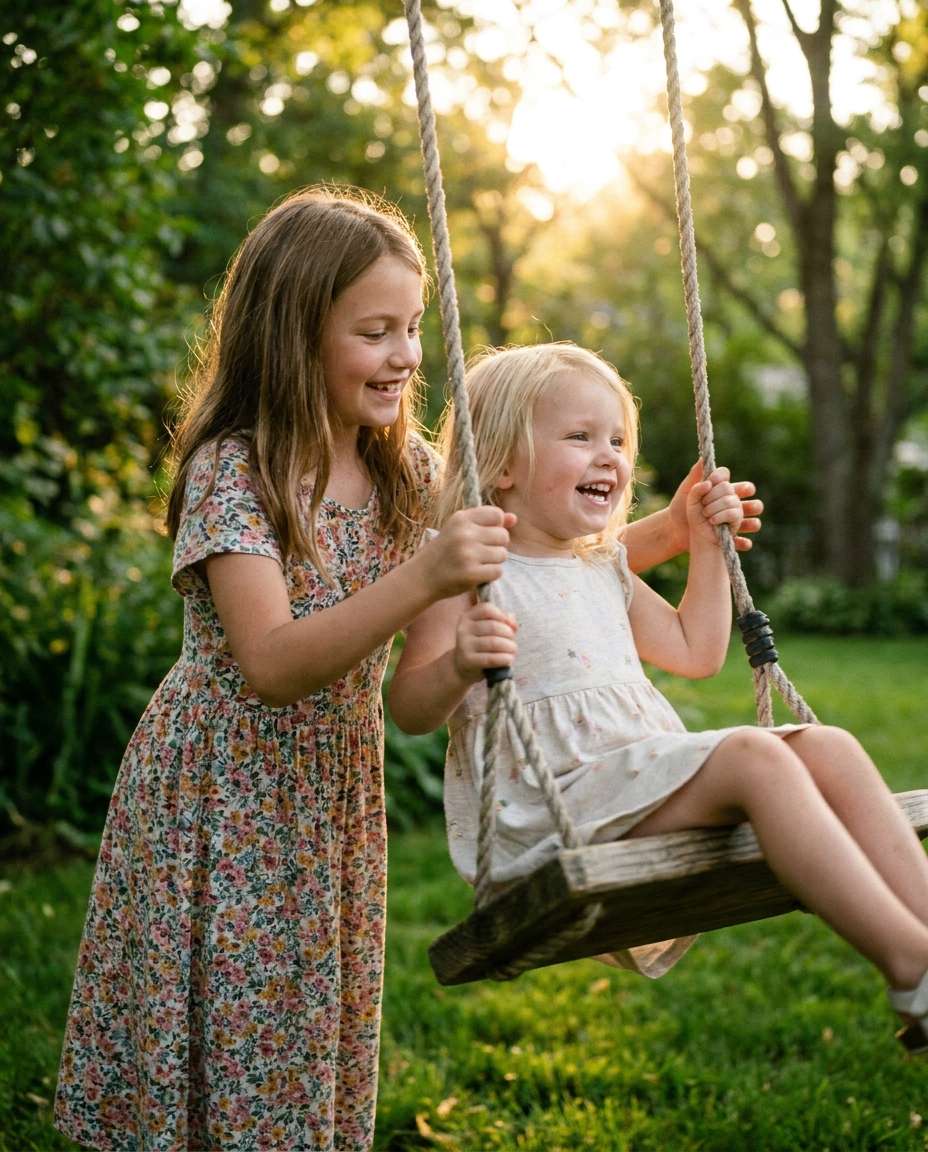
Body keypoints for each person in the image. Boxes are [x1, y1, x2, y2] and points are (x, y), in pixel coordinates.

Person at [52, 190, 770, 1152]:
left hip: (332, 786)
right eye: (375, 332)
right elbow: (268, 663)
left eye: (413, 329)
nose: (405, 356)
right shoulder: (241, 471)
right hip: (222, 791)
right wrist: (425, 574)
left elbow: (541, 563)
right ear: (294, 335)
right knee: (222, 1012)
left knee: (302, 1026)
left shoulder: (403, 473)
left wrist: (672, 533)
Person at [389, 341, 928, 1053]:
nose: (607, 455)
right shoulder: (466, 564)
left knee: (829, 743)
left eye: (615, 438)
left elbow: (694, 651)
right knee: (751, 758)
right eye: (579, 437)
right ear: (502, 464)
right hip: (556, 810)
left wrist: (704, 545)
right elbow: (410, 708)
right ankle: (910, 968)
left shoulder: (600, 567)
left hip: (633, 782)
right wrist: (459, 662)